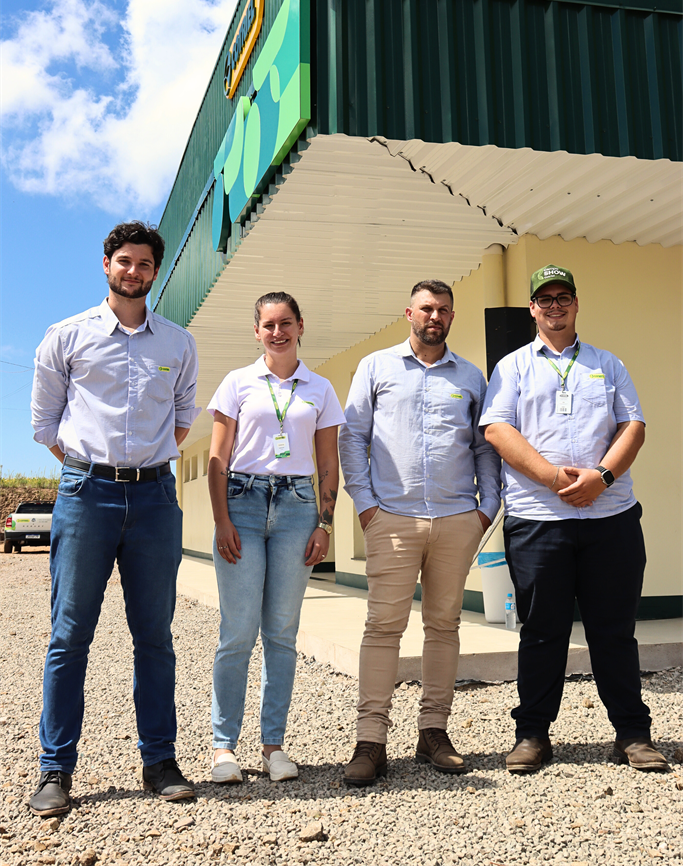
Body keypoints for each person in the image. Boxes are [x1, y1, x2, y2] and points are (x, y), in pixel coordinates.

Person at [28, 221, 201, 817]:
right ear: (107, 264)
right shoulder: (66, 336)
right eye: (124, 261)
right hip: (86, 495)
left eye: (144, 263)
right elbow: (45, 424)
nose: (134, 271)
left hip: (155, 500)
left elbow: (183, 417)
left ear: (155, 271)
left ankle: (160, 762)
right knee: (69, 635)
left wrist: (141, 467)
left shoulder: (177, 343)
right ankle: (55, 769)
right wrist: (92, 470)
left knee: (154, 636)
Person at [480, 264, 668, 773]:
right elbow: (496, 429)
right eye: (545, 299)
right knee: (543, 632)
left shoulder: (608, 364)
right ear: (533, 309)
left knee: (614, 631)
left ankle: (633, 734)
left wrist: (601, 478)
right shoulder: (513, 367)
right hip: (538, 520)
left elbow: (633, 426)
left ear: (577, 303)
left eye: (563, 297)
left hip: (611, 516)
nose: (555, 306)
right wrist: (551, 477)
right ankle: (532, 735)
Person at [338, 280, 501, 786]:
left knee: (444, 626)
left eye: (444, 310)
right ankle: (370, 741)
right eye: (427, 308)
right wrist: (367, 506)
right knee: (383, 627)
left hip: (457, 519)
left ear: (451, 317)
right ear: (409, 313)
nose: (435, 316)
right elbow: (353, 437)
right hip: (392, 518)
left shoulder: (470, 376)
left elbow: (483, 447)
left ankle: (433, 733)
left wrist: (485, 509)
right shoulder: (376, 367)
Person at [206, 292, 346, 783]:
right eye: (268, 324)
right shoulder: (236, 383)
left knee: (282, 633)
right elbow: (218, 459)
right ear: (257, 331)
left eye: (286, 323)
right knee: (238, 632)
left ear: (300, 326)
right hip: (242, 504)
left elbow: (328, 462)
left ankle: (273, 747)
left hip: (297, 509)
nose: (278, 332)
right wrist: (221, 520)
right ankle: (224, 747)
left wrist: (325, 524)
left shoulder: (320, 388)